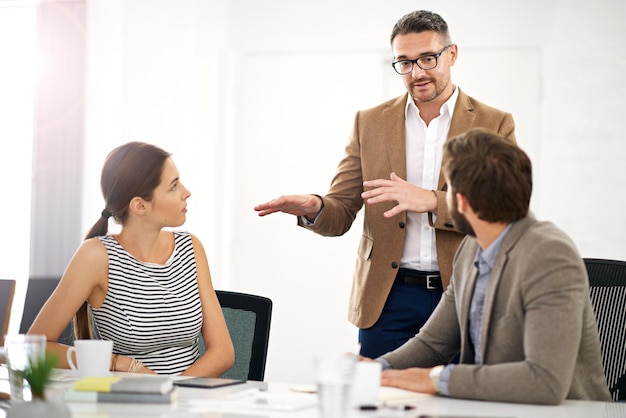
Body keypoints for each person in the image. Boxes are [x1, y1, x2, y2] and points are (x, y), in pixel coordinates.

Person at [254, 10, 516, 358]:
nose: (417, 73)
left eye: (427, 58)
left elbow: (505, 212)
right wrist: (315, 208)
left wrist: (432, 201)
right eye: (404, 63)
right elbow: (342, 210)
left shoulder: (494, 123)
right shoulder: (370, 123)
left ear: (452, 54)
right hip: (388, 299)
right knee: (378, 405)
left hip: (465, 291)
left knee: (459, 403)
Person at [375, 128, 611, 404]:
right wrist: (378, 369)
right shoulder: (471, 247)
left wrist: (435, 380)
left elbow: (545, 381)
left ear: (461, 202)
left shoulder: (550, 256)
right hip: (495, 407)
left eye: (447, 189)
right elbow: (433, 344)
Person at [28, 142, 235, 376]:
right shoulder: (96, 257)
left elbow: (223, 353)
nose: (187, 192)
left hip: (186, 403)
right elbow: (35, 347)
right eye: (173, 186)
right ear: (139, 205)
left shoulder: (191, 248)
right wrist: (118, 363)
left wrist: (171, 393)